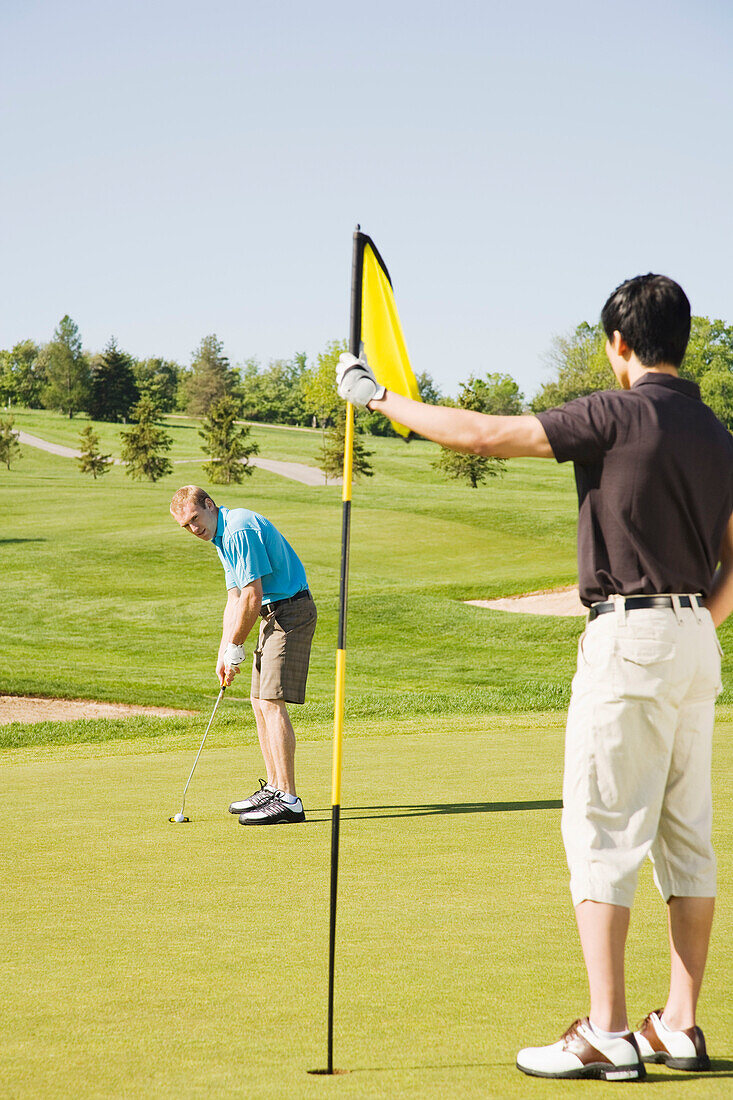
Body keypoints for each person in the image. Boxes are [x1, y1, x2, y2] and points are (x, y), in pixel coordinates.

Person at [337, 274, 733, 1081]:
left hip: (630, 636)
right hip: (697, 640)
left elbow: (482, 434)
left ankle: (608, 1031)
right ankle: (679, 1029)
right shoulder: (716, 431)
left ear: (618, 345)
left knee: (601, 834)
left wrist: (376, 397)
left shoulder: (614, 412)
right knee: (685, 838)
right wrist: (695, 624)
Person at [169, 485, 317, 826]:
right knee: (257, 700)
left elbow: (253, 596)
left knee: (270, 701)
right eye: (186, 526)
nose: (194, 529)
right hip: (273, 614)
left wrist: (236, 646)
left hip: (291, 612)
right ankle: (276, 788)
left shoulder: (239, 529)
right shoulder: (222, 538)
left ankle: (290, 800)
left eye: (195, 519)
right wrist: (225, 650)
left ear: (209, 505)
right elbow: (234, 599)